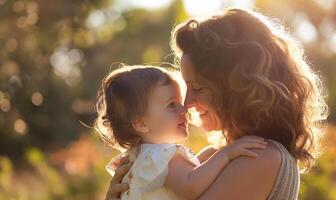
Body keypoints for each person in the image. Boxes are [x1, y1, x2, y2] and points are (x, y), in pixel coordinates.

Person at [105, 8, 328, 200]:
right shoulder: (217, 156)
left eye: (198, 88)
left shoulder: (261, 156)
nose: (187, 103)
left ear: (237, 87)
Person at [95, 65, 268, 200]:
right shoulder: (164, 155)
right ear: (141, 124)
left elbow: (174, 178)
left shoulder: (141, 158)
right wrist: (226, 154)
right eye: (172, 105)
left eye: (180, 102)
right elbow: (190, 186)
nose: (184, 109)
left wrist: (204, 157)